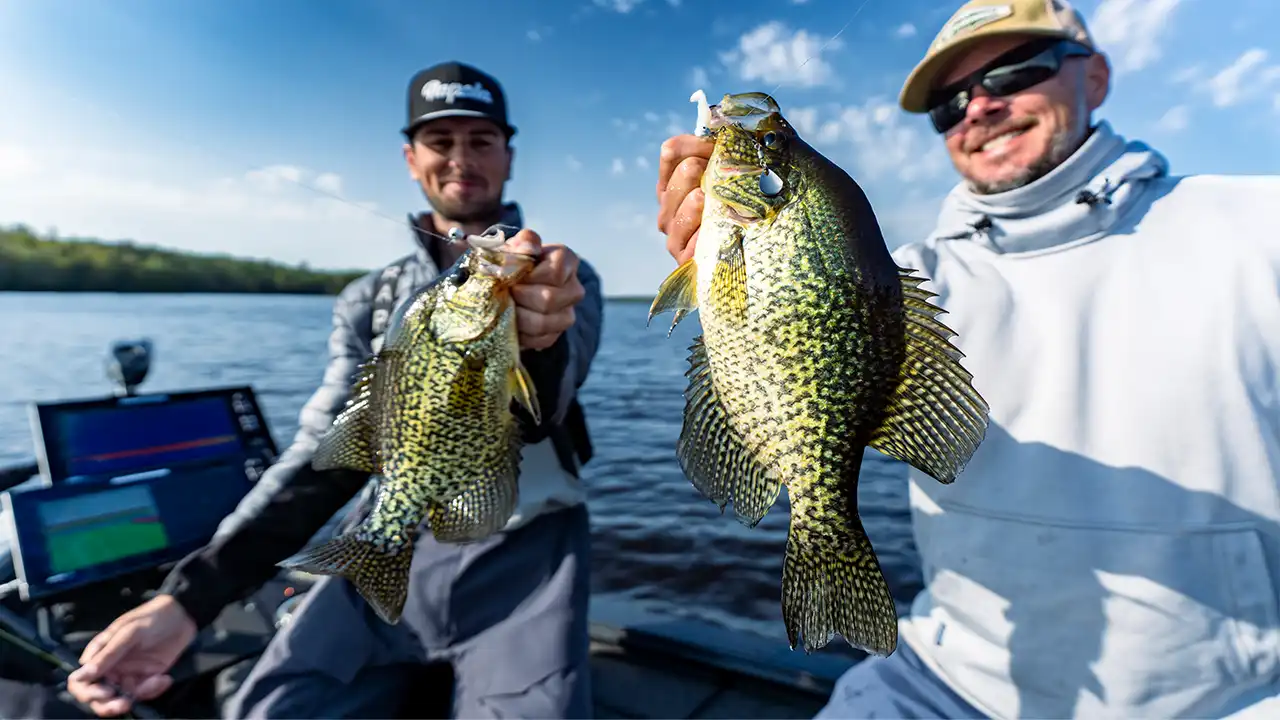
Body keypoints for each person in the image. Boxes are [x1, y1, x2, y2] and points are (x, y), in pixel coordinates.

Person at [654, 0, 1280, 717]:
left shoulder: (1260, 227)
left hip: (1235, 699)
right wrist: (705, 260)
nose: (978, 106)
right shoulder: (912, 273)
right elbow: (786, 334)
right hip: (946, 678)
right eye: (948, 103)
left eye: (1015, 71)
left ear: (1096, 76)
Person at [66, 60, 603, 719]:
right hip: (394, 528)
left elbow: (546, 407)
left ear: (508, 156)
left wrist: (541, 340)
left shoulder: (562, 276)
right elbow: (322, 454)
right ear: (411, 158)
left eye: (481, 140)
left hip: (527, 541)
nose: (461, 158)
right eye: (441, 140)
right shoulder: (367, 299)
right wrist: (190, 598)